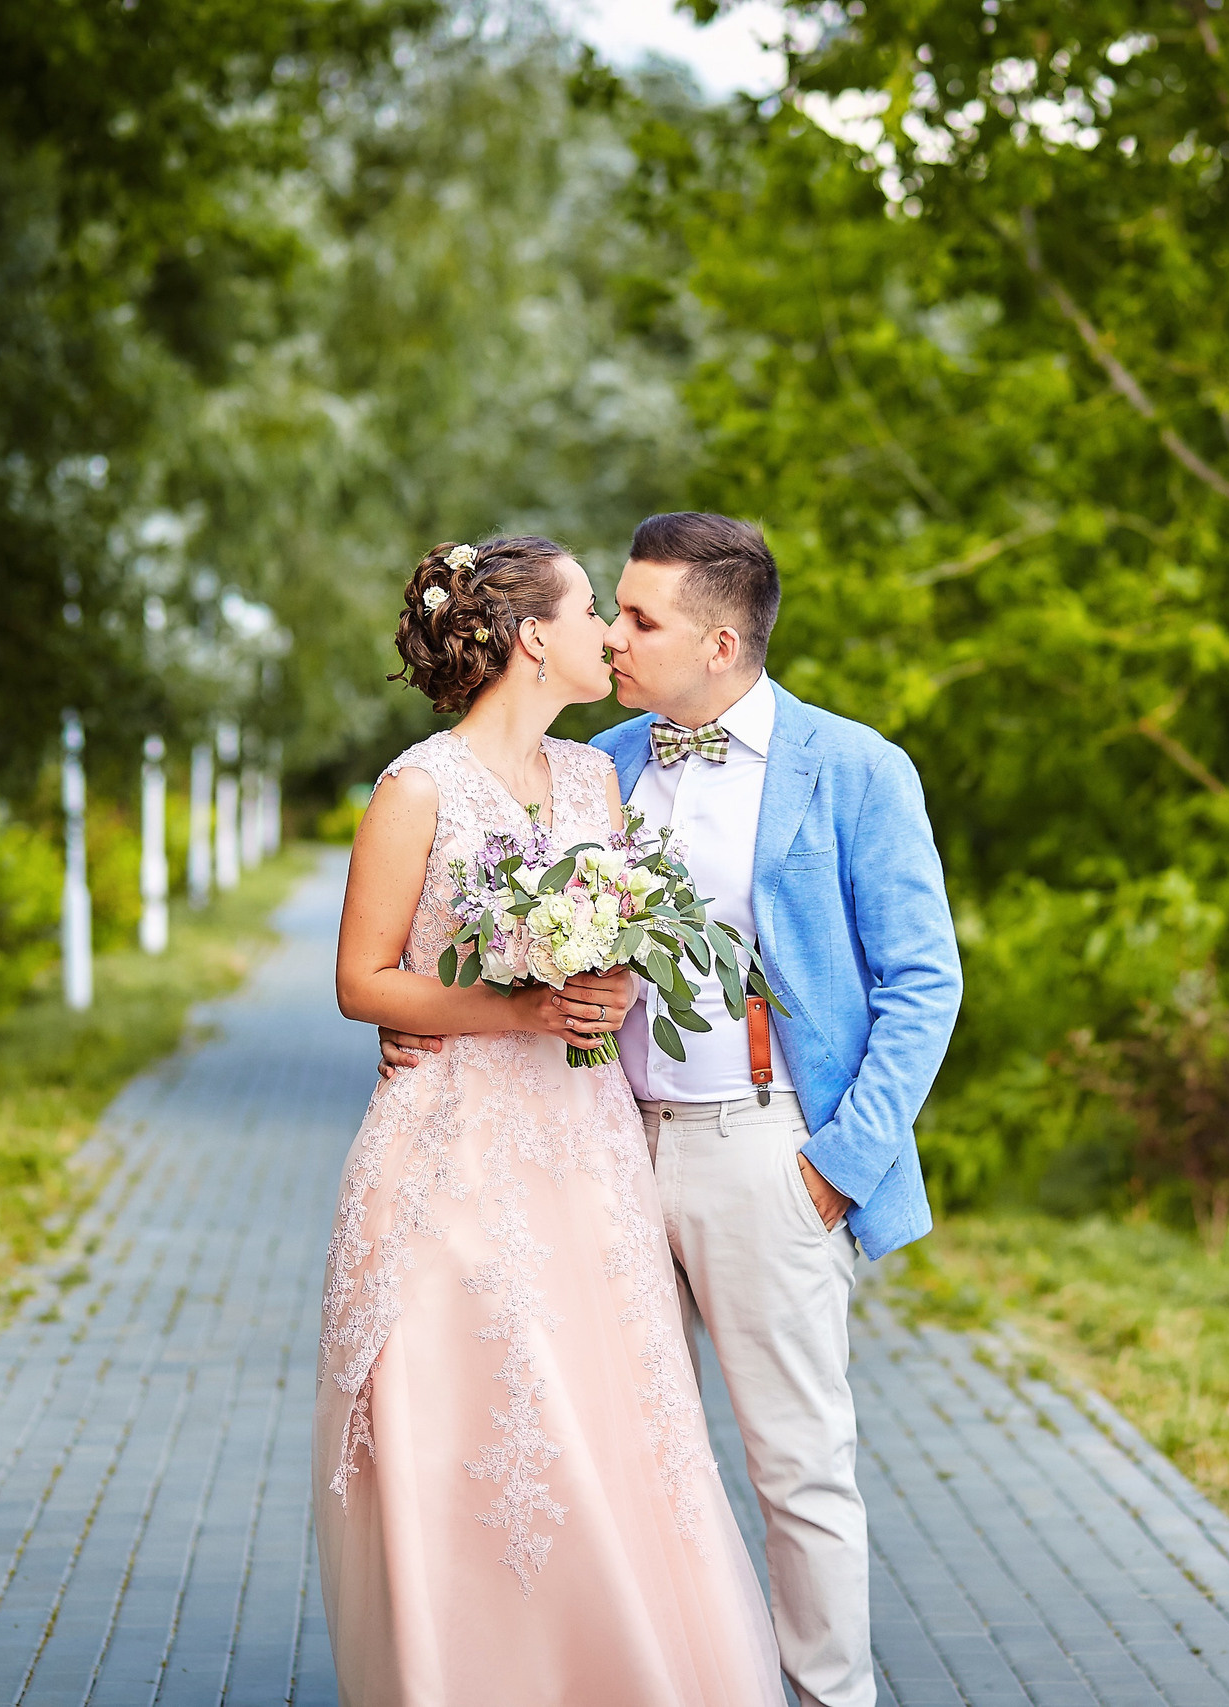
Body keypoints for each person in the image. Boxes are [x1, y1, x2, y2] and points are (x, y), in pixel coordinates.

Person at [381, 513, 964, 1707]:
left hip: (770, 1151)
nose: (619, 637)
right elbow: (501, 928)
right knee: (636, 1463)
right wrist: (431, 1013)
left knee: (799, 1467)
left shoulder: (856, 770)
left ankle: (830, 1698)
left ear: (721, 644)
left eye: (643, 620)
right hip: (602, 1153)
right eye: (617, 610)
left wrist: (837, 1163)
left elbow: (925, 981)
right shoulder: (603, 762)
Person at [315, 535, 781, 1707]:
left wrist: (608, 987)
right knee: (476, 1431)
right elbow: (363, 980)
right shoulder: (416, 787)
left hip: (584, 1152)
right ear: (533, 639)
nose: (608, 636)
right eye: (591, 612)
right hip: (451, 1163)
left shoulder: (593, 782)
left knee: (606, 1433)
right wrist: (512, 1009)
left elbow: (615, 952)